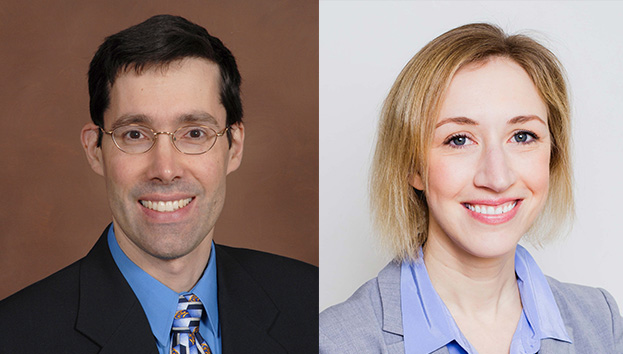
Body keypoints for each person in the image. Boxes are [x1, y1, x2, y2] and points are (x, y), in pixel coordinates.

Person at [0, 14, 317, 354]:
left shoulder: (311, 303)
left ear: (234, 146)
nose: (165, 170)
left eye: (195, 133)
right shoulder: (16, 336)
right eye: (135, 134)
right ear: (95, 149)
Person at [319, 23, 623, 353]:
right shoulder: (336, 341)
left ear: (553, 154)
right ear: (413, 166)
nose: (497, 177)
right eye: (459, 139)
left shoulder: (600, 320)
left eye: (522, 136)